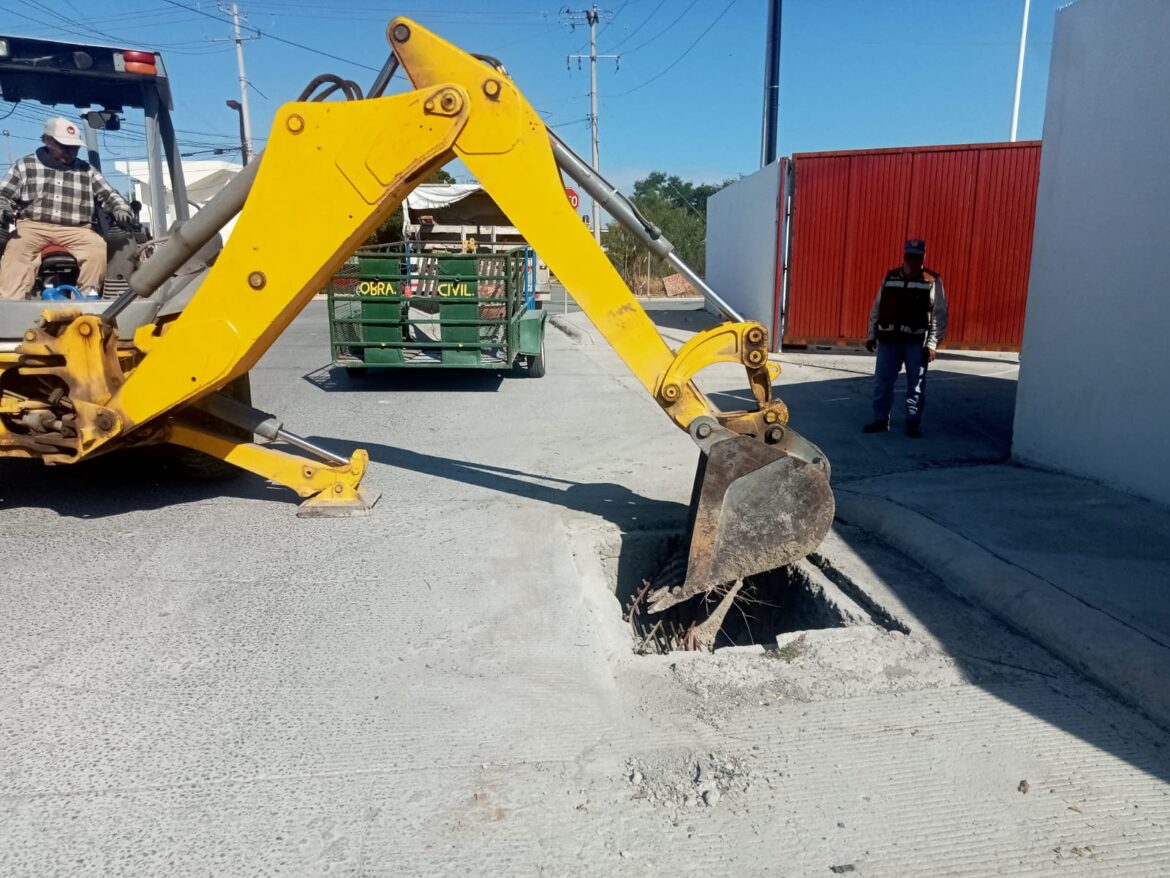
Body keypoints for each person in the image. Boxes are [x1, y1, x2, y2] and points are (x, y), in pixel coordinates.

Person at [0, 117, 134, 300]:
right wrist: (3, 209)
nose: (71, 152)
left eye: (75, 147)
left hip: (77, 229)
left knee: (97, 249)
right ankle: (13, 303)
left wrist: (121, 209)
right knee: (17, 250)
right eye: (65, 147)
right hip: (33, 226)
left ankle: (88, 301)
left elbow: (110, 194)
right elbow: (3, 195)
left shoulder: (86, 170)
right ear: (48, 141)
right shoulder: (25, 165)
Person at [862, 238, 948, 438]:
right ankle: (881, 420)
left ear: (923, 257)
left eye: (916, 257)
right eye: (908, 256)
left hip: (916, 343)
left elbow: (939, 315)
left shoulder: (932, 280)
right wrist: (871, 335)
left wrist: (932, 344)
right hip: (888, 340)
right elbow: (877, 307)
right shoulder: (890, 277)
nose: (912, 261)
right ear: (904, 256)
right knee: (882, 382)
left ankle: (913, 422)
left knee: (915, 384)